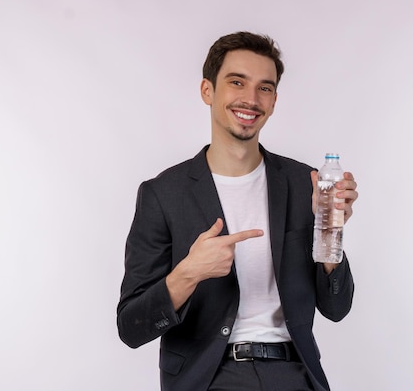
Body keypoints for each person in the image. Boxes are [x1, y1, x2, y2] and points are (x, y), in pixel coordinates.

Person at [117, 31, 358, 391]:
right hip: (208, 377)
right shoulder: (163, 195)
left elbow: (336, 309)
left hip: (293, 374)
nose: (251, 99)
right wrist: (188, 273)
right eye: (236, 82)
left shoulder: (304, 182)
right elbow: (131, 328)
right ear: (207, 91)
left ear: (274, 100)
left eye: (265, 87)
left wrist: (330, 231)